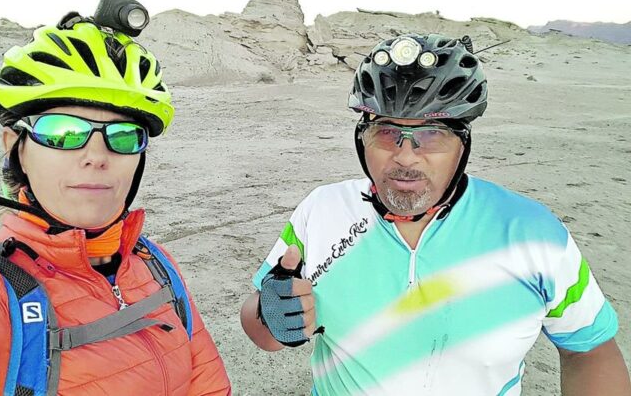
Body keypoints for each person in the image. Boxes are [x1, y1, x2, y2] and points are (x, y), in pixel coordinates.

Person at [0, 3, 231, 395]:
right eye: (62, 131)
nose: (96, 155)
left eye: (123, 135)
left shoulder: (156, 265)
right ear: (15, 148)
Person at [241, 34, 630, 395]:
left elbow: (588, 350)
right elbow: (264, 332)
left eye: (432, 135)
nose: (406, 157)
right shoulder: (321, 210)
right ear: (362, 138)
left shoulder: (534, 233)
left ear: (463, 144)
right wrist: (268, 313)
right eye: (387, 132)